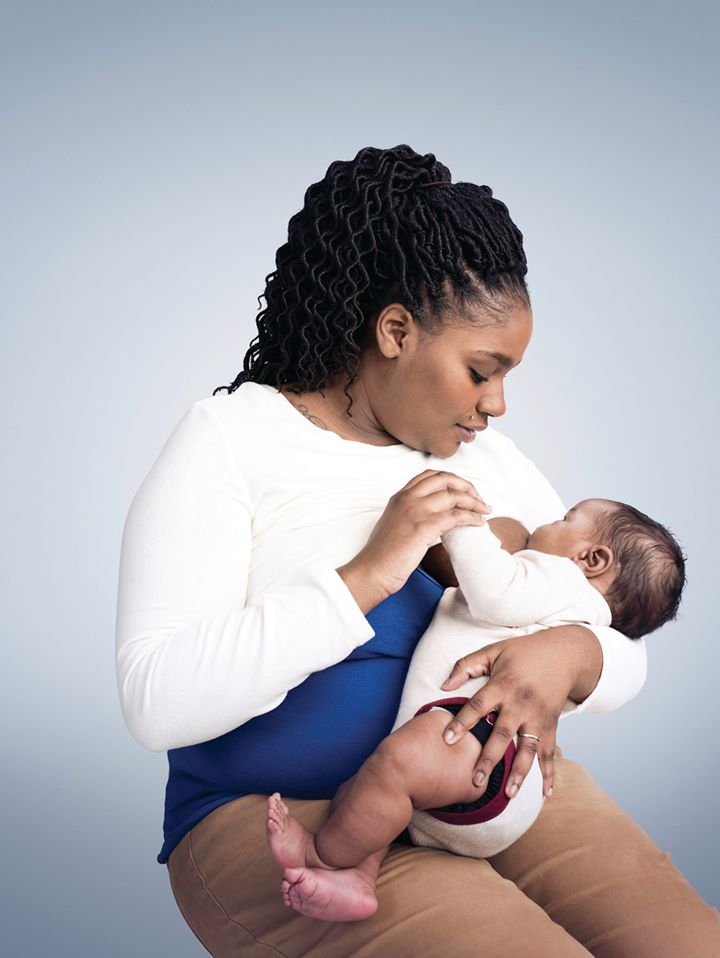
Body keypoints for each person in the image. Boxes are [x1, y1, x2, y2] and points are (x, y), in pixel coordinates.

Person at [115, 144, 720, 957]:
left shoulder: (482, 456)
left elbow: (612, 618)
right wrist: (370, 573)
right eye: (481, 369)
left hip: (485, 789)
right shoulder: (232, 440)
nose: (496, 404)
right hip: (278, 814)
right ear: (395, 330)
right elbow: (156, 700)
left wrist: (570, 654)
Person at [265, 498, 687, 921]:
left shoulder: (560, 578)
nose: (549, 520)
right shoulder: (581, 613)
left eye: (565, 519)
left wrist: (462, 523)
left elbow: (492, 592)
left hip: (476, 745)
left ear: (592, 559)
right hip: (492, 784)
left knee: (392, 766)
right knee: (370, 790)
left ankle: (320, 854)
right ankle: (359, 875)